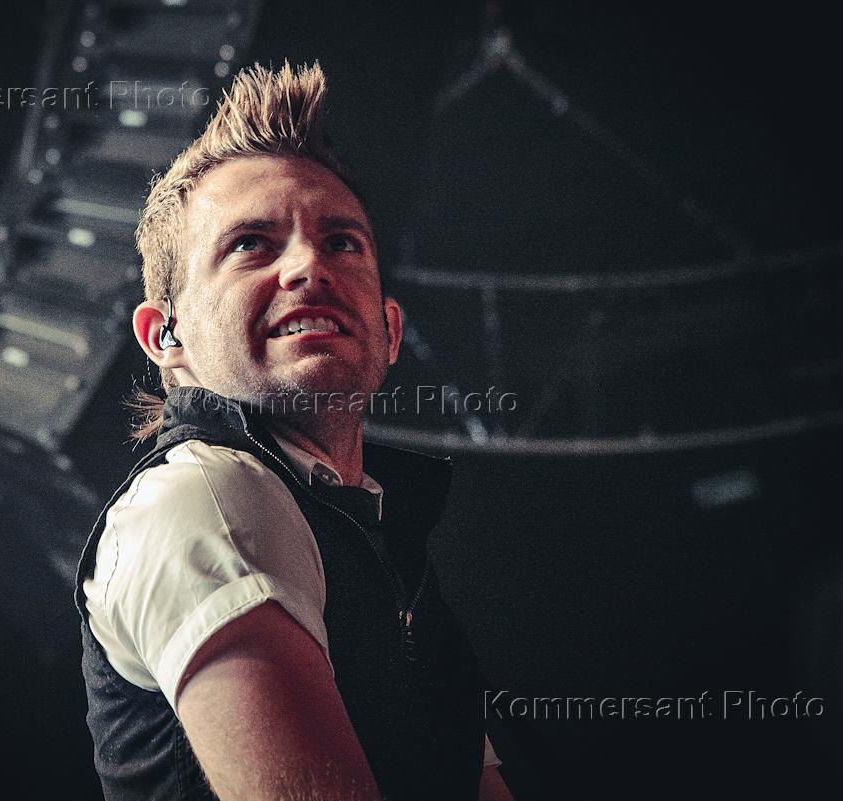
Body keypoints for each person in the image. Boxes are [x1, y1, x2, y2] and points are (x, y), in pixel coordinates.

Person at [74, 60, 514, 801]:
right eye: (251, 244)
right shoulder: (208, 495)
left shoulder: (384, 538)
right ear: (165, 336)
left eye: (342, 242)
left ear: (389, 327)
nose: (309, 265)